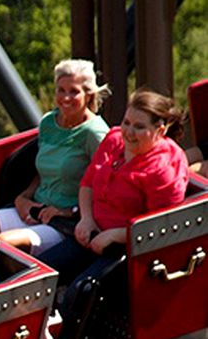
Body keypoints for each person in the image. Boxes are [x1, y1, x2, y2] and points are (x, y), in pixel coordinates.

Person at [39, 89, 188, 293]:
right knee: (42, 273)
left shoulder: (163, 170)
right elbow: (88, 183)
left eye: (139, 127)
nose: (128, 132)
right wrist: (86, 218)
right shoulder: (114, 140)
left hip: (126, 249)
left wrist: (115, 235)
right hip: (91, 232)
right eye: (126, 122)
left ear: (160, 131)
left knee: (81, 292)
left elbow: (157, 228)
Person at [0, 59, 110, 254]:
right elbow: (43, 171)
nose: (65, 98)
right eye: (61, 90)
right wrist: (24, 198)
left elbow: (104, 187)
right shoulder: (49, 122)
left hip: (65, 221)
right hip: (36, 207)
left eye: (73, 91)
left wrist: (68, 211)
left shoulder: (95, 134)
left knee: (3, 245)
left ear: (88, 95)